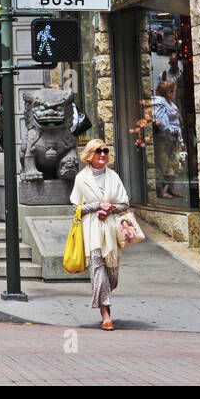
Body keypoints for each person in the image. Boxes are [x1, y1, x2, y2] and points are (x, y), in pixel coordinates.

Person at [70, 139, 130, 330]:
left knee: (112, 275)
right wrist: (97, 206)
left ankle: (105, 299)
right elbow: (75, 207)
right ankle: (106, 314)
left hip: (112, 231)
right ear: (90, 155)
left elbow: (125, 204)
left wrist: (110, 208)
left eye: (105, 151)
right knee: (98, 271)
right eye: (98, 151)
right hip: (92, 230)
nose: (103, 154)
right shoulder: (81, 178)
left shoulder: (113, 176)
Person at [151, 80, 183, 199]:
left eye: (173, 91)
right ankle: (160, 189)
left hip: (174, 139)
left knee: (173, 164)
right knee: (162, 164)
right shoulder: (159, 102)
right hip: (164, 138)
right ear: (164, 93)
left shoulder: (171, 104)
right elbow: (161, 120)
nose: (172, 94)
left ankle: (170, 187)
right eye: (170, 91)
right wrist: (169, 130)